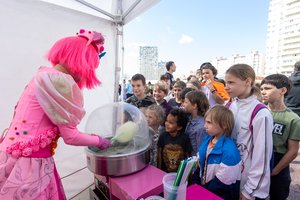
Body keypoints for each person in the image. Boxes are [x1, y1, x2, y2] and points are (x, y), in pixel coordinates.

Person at [0, 29, 112, 199]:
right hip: (30, 167)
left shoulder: (41, 75)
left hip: (8, 156)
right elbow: (71, 137)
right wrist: (100, 141)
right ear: (82, 61)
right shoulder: (59, 81)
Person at [225, 64, 273, 200]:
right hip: (229, 178)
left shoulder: (261, 113)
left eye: (231, 82)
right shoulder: (229, 106)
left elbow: (262, 158)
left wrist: (249, 191)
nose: (226, 87)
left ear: (247, 82)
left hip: (248, 185)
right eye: (226, 82)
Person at [261, 74, 300, 200]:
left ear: (283, 90)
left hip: (278, 162)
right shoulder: (259, 112)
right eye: (261, 89)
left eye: (267, 88)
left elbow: (293, 151)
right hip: (258, 158)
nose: (263, 92)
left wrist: (275, 170)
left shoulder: (293, 119)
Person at [198, 105, 241, 200]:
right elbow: (201, 158)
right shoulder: (207, 139)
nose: (205, 126)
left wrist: (204, 191)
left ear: (224, 125)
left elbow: (222, 182)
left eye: (209, 122)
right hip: (205, 187)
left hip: (219, 194)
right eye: (205, 122)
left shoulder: (230, 152)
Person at [157, 108, 192, 173]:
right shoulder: (162, 136)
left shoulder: (185, 138)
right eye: (166, 121)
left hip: (179, 174)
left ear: (179, 127)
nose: (167, 124)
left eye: (171, 123)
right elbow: (159, 154)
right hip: (164, 173)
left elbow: (188, 156)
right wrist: (159, 171)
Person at [182, 90, 209, 156]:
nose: (183, 104)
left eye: (186, 102)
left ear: (194, 106)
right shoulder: (190, 118)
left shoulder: (201, 127)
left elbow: (199, 151)